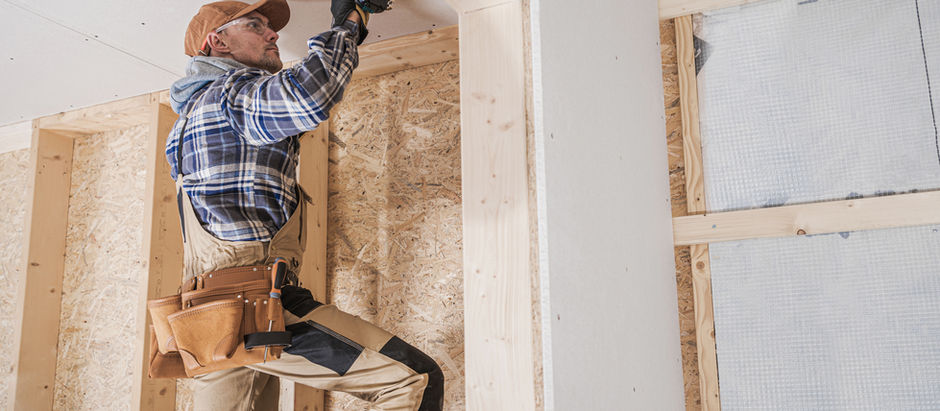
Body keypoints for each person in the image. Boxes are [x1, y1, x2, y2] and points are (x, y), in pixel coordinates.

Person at [165, 0, 443, 409]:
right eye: (256, 25)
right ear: (217, 42)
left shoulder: (188, 121)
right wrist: (350, 21)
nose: (272, 34)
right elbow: (308, 96)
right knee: (411, 379)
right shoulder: (228, 97)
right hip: (253, 302)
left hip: (208, 319)